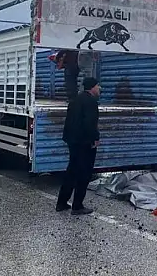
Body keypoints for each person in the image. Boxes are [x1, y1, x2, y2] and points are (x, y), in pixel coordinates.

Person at [56, 77, 100, 215]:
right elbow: (90, 123)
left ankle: (61, 203)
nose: (100, 89)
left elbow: (69, 121)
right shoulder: (91, 102)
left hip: (72, 141)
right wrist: (95, 138)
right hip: (84, 142)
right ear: (92, 87)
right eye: (98, 86)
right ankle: (77, 206)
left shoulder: (75, 99)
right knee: (84, 173)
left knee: (71, 171)